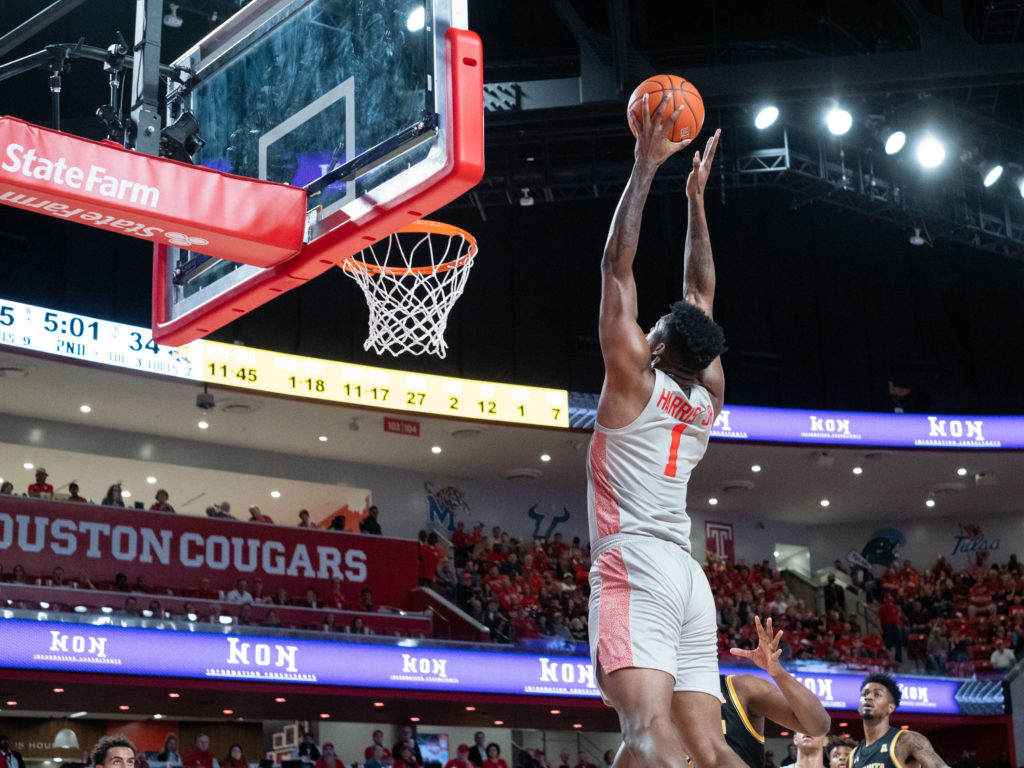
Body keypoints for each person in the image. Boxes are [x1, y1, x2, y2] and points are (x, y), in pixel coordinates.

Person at [586, 96, 733, 768]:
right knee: (705, 743)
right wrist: (697, 201)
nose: (646, 328)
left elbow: (617, 267)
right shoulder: (706, 397)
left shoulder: (632, 384)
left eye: (654, 329)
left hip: (637, 564)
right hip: (686, 578)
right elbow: (699, 295)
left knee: (647, 729)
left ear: (656, 346)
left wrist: (645, 169)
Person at [851, 672, 949, 768]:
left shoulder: (907, 740)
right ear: (858, 708)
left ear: (890, 707)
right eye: (864, 694)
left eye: (877, 694)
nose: (868, 697)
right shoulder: (853, 756)